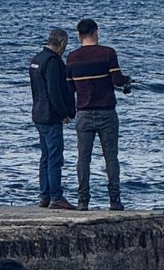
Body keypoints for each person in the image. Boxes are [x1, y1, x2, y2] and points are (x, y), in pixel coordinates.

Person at [66, 18, 131, 210]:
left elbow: (69, 88)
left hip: (83, 113)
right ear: (96, 32)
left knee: (83, 158)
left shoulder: (72, 58)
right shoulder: (107, 53)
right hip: (106, 112)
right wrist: (128, 80)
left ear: (79, 36)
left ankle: (82, 201)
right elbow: (117, 80)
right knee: (111, 157)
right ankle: (114, 200)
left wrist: (69, 113)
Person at [29, 27, 76, 209]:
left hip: (38, 113)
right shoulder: (53, 62)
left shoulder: (37, 60)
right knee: (55, 156)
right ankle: (56, 196)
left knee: (46, 156)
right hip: (50, 116)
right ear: (62, 43)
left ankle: (45, 194)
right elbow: (54, 92)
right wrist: (64, 113)